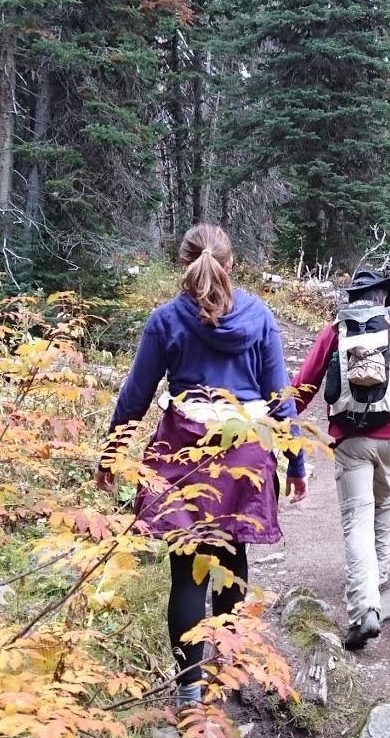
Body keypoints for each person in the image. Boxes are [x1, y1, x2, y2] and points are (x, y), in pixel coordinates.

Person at [95, 224, 308, 709]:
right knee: (233, 559)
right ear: (232, 265)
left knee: (187, 570)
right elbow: (280, 399)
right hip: (246, 451)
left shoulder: (166, 319)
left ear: (184, 264)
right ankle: (228, 673)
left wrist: (111, 453)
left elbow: (136, 396)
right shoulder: (260, 317)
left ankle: (189, 691)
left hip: (183, 451)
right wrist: (295, 462)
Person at [291, 270, 390, 650]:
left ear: (352, 299)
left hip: (350, 440)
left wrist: (274, 417)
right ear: (383, 299)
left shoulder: (335, 332)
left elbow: (303, 388)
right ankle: (376, 582)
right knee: (385, 504)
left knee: (357, 520)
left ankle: (365, 608)